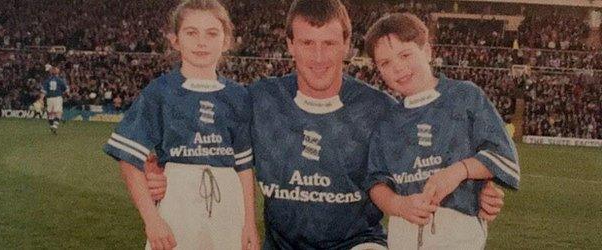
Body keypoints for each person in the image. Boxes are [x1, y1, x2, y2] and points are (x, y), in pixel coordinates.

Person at [145, 1, 506, 249]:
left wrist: (481, 188)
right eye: (307, 43)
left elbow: (434, 156)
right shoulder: (259, 98)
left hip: (358, 243)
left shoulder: (380, 108)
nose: (318, 58)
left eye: (329, 43)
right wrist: (158, 167)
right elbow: (198, 129)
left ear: (347, 45)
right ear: (289, 44)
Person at [103, 0, 259, 249]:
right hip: (177, 205)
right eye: (191, 32)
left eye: (212, 33)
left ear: (226, 41)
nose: (201, 42)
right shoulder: (160, 92)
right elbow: (128, 159)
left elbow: (243, 166)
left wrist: (249, 223)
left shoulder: (238, 95)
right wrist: (152, 220)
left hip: (228, 205)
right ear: (175, 40)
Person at [363, 13, 520, 249]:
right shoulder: (386, 121)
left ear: (427, 51)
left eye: (405, 55)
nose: (398, 68)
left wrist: (459, 171)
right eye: (385, 63)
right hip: (402, 238)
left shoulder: (465, 96)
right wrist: (399, 205)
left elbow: (503, 157)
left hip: (459, 237)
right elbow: (376, 184)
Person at [40, 65, 69, 134]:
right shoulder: (60, 80)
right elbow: (66, 90)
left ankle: (51, 126)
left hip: (49, 98)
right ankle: (55, 126)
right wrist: (67, 94)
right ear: (57, 73)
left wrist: (41, 99)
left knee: (50, 113)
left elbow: (43, 91)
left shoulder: (47, 81)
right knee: (58, 113)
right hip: (57, 97)